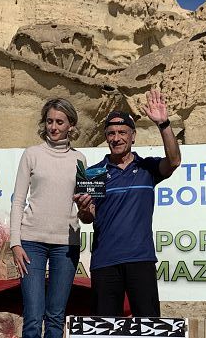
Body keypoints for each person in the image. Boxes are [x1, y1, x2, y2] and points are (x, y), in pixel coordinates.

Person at [75, 89, 181, 317]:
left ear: (133, 136)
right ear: (106, 137)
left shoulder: (147, 168)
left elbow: (174, 160)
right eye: (111, 133)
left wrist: (163, 124)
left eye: (122, 132)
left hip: (140, 259)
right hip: (105, 261)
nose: (116, 138)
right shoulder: (93, 173)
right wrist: (84, 209)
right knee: (104, 329)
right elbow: (87, 217)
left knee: (149, 326)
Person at [10, 98, 86, 338]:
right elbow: (17, 200)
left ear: (71, 125)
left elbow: (86, 205)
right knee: (32, 319)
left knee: (55, 320)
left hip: (66, 244)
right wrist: (15, 242)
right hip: (32, 243)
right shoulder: (32, 155)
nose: (54, 127)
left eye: (61, 122)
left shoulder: (81, 159)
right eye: (50, 122)